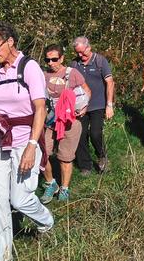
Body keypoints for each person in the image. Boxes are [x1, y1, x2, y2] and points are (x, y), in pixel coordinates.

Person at [0, 21, 54, 261]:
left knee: (20, 199)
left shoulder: (29, 67)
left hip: (24, 141)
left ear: (10, 41)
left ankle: (46, 221)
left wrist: (32, 147)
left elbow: (40, 108)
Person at [40, 44, 90, 203]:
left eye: (54, 59)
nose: (50, 63)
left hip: (69, 121)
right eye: (47, 60)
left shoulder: (72, 73)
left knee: (65, 157)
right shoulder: (42, 75)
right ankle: (51, 183)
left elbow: (86, 90)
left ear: (61, 58)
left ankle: (64, 188)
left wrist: (84, 107)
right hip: (48, 121)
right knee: (42, 154)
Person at [71, 36, 115, 175]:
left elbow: (110, 82)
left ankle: (102, 156)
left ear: (89, 47)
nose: (80, 55)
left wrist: (109, 105)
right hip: (80, 107)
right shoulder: (74, 64)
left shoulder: (100, 61)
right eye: (77, 52)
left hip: (98, 104)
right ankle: (85, 165)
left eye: (82, 52)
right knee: (80, 134)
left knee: (95, 133)